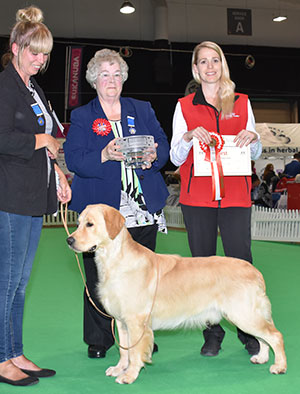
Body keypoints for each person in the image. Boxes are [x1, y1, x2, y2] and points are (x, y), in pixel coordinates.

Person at [63, 49, 169, 359]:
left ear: (124, 79)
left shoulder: (142, 108)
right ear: (94, 80)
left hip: (141, 207)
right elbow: (74, 159)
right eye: (105, 75)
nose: (112, 80)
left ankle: (141, 336)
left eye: (117, 74)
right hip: (101, 213)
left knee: (143, 277)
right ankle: (100, 339)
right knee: (100, 277)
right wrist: (105, 155)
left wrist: (154, 156)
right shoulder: (83, 116)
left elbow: (162, 144)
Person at [170, 41, 262, 357]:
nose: (210, 67)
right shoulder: (184, 106)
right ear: (195, 69)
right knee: (201, 269)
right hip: (197, 198)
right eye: (203, 62)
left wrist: (255, 139)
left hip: (236, 195)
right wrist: (187, 136)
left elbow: (253, 150)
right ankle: (213, 333)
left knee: (241, 264)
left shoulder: (242, 102)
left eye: (215, 61)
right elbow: (173, 155)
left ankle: (249, 330)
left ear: (223, 66)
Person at [0, 5, 72, 387]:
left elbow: (49, 143)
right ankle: (1, 359)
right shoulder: (4, 86)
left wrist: (58, 170)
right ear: (15, 47)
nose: (41, 60)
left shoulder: (33, 88)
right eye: (34, 52)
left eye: (45, 54)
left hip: (31, 196)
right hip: (9, 197)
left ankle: (15, 352)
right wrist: (39, 139)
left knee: (21, 283)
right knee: (7, 281)